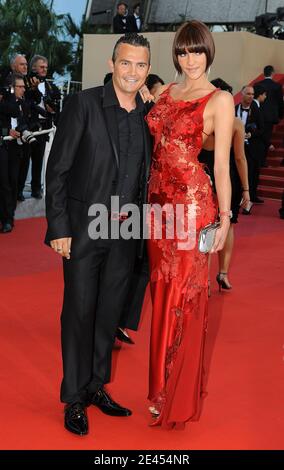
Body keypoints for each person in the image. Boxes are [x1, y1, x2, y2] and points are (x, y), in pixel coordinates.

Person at [45, 33, 152, 436]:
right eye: (126, 63)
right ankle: (74, 397)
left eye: (141, 65)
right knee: (78, 312)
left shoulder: (147, 115)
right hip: (85, 229)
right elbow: (57, 170)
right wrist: (59, 227)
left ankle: (95, 387)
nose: (133, 72)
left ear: (147, 68)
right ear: (112, 63)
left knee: (108, 315)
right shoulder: (84, 104)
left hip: (125, 232)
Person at [145, 20, 234, 429]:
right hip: (158, 210)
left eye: (196, 51)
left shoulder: (219, 99)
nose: (190, 59)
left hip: (194, 207)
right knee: (161, 293)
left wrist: (224, 221)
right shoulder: (165, 93)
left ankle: (175, 394)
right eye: (183, 52)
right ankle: (160, 388)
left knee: (184, 295)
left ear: (208, 53)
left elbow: (221, 166)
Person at [199, 78, 250, 292]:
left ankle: (205, 280)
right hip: (227, 176)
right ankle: (223, 274)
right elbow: (240, 158)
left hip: (203, 174)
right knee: (227, 224)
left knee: (206, 227)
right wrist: (246, 189)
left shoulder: (201, 118)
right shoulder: (236, 123)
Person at [255, 65, 284, 165]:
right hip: (270, 116)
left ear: (264, 73)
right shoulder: (277, 86)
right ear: (272, 73)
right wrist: (280, 115)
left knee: (259, 137)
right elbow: (280, 102)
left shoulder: (257, 84)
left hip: (258, 114)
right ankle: (262, 160)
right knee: (267, 136)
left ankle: (258, 159)